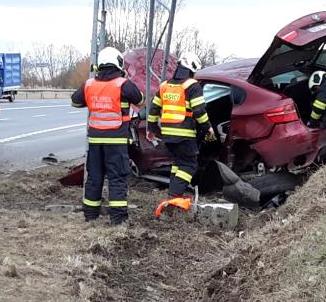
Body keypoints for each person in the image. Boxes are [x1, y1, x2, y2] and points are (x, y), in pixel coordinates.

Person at [70, 46, 142, 224]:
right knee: (117, 178)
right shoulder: (123, 84)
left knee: (94, 177)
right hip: (116, 141)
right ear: (118, 64)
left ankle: (90, 215)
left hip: (95, 141)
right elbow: (139, 99)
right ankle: (117, 218)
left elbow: (75, 102)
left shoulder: (89, 84)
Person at [147, 52, 216, 208]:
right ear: (192, 69)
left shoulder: (164, 85)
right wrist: (208, 128)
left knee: (179, 164)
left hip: (168, 136)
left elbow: (154, 108)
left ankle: (173, 195)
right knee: (189, 165)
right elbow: (199, 111)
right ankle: (174, 197)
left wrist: (151, 128)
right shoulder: (192, 86)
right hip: (184, 135)